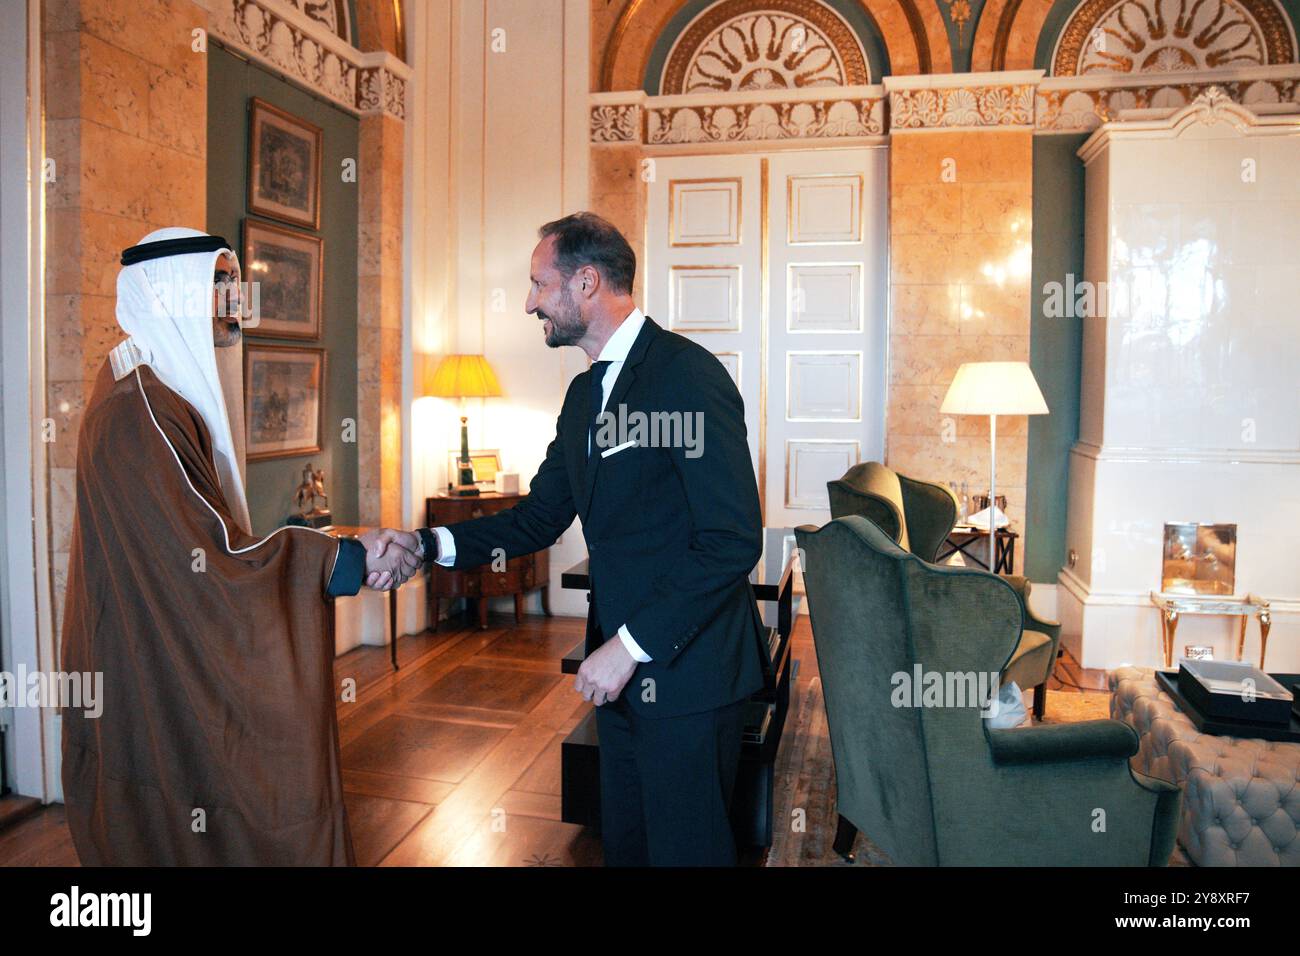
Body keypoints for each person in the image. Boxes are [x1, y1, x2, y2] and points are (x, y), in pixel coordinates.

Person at [400, 212, 767, 865]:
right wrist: (425, 547)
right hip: (620, 677)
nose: (528, 301)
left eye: (540, 283)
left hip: (690, 677)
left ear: (588, 282)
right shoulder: (580, 398)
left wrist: (628, 648)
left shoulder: (686, 376)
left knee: (688, 853)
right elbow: (538, 519)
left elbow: (732, 540)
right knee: (625, 846)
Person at [60, 227, 419, 865]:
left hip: (144, 652)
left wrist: (344, 546)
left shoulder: (150, 393)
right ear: (172, 293)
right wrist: (348, 558)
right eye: (219, 284)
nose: (236, 301)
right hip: (149, 663)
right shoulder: (141, 413)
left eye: (233, 282)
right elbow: (215, 561)